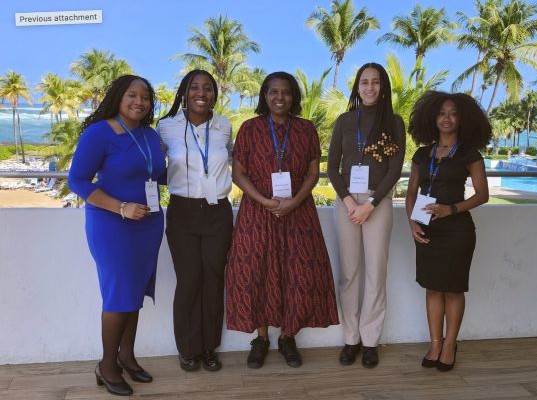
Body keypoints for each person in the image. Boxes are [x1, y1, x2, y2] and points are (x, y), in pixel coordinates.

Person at [226, 71, 339, 369]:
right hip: (256, 213)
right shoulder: (249, 129)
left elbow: (313, 173)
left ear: (294, 97)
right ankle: (261, 338)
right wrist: (264, 200)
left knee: (297, 272)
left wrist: (293, 202)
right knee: (257, 273)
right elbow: (239, 173)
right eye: (273, 91)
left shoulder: (306, 129)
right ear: (265, 96)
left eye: (286, 92)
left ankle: (288, 337)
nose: (280, 97)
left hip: (299, 213)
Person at [68, 75, 166, 396]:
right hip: (113, 224)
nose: (139, 101)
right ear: (118, 98)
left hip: (148, 224)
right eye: (132, 95)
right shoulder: (100, 133)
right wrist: (121, 207)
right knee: (118, 295)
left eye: (145, 97)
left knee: (133, 293)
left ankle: (127, 356)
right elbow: (78, 181)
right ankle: (107, 365)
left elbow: (159, 173)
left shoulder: (149, 134)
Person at [405, 90, 491, 372]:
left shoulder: (468, 153)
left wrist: (450, 209)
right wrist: (412, 221)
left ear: (462, 118)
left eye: (453, 113)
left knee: (453, 289)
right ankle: (435, 343)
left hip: (457, 231)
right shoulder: (422, 153)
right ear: (433, 117)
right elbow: (411, 192)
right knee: (432, 288)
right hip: (427, 230)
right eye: (442, 113)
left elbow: (482, 195)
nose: (447, 118)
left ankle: (450, 344)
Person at [327, 62, 406, 368]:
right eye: (364, 82)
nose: (369, 87)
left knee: (376, 271)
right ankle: (350, 338)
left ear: (383, 86)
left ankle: (370, 339)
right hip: (346, 202)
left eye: (375, 82)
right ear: (357, 87)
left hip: (378, 201)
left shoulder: (394, 122)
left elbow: (394, 169)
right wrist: (348, 201)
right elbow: (332, 167)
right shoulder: (344, 121)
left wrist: (371, 203)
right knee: (349, 274)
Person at [156, 70, 233, 372]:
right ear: (185, 93)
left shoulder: (225, 125)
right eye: (195, 88)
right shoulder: (166, 127)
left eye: (208, 88)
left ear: (215, 93)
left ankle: (209, 348)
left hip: (217, 212)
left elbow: (234, 161)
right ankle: (188, 348)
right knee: (189, 281)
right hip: (182, 212)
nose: (202, 93)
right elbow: (150, 164)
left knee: (214, 280)